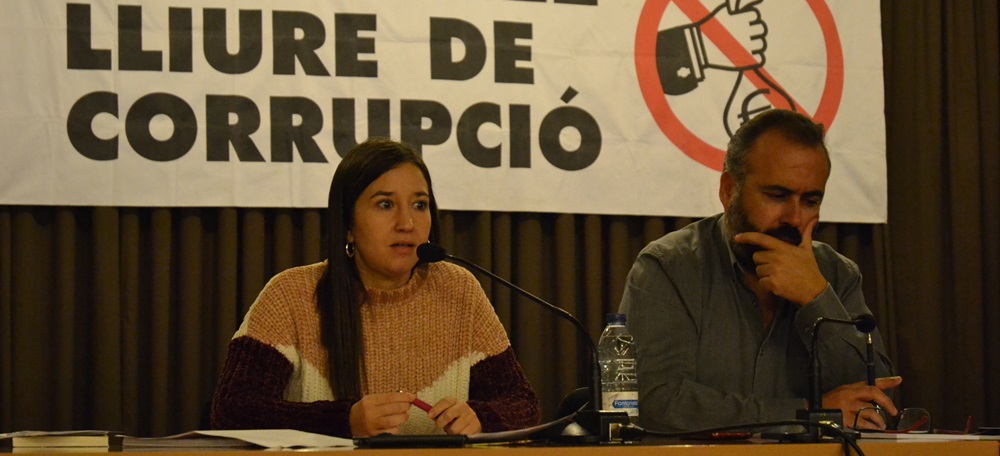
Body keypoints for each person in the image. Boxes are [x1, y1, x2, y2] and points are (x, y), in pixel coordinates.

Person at [211, 138, 541, 437]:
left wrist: (481, 418)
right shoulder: (291, 295)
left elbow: (522, 404)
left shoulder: (458, 290)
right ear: (348, 225)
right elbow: (232, 411)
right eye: (385, 204)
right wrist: (344, 421)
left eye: (419, 205)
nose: (407, 223)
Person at [619, 109, 899, 432]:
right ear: (728, 191)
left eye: (810, 201)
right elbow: (655, 403)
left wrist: (816, 297)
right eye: (777, 196)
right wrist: (807, 414)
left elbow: (880, 403)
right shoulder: (668, 268)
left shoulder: (837, 275)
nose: (794, 218)